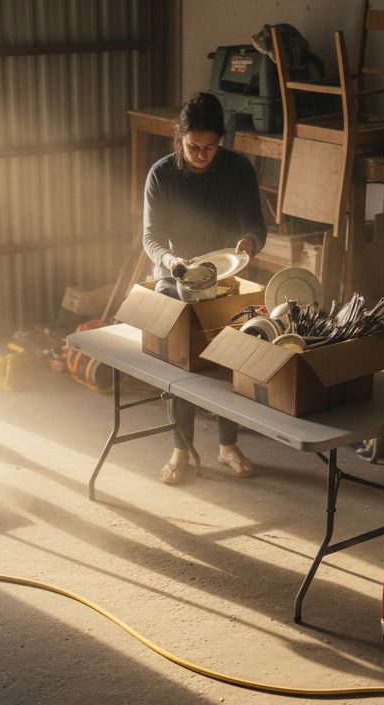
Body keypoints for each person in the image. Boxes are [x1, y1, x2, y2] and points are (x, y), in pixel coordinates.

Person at [142, 92, 265, 484]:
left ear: (221, 140)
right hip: (176, 274)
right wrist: (171, 261)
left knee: (231, 358)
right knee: (182, 362)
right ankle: (181, 449)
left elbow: (256, 227)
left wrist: (248, 242)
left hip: (226, 273)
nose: (202, 154)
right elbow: (150, 238)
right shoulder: (162, 174)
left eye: (210, 147)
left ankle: (227, 444)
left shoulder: (238, 169)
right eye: (193, 146)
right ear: (179, 138)